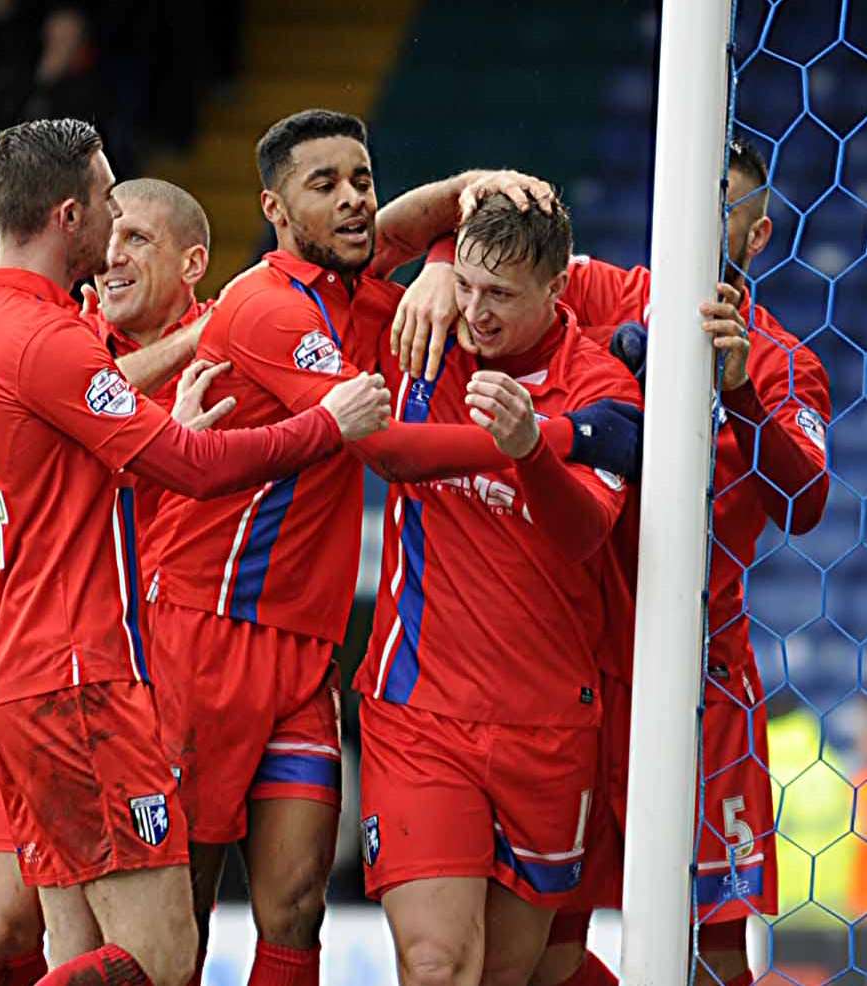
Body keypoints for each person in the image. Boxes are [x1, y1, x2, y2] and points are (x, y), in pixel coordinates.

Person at [144, 109, 641, 986]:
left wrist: (455, 224)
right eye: (323, 184)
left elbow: (400, 236)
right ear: (273, 207)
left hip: (340, 661)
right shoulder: (304, 312)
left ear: (555, 291)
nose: (351, 201)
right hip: (216, 633)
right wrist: (545, 439)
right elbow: (383, 446)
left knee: (301, 908)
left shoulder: (386, 308)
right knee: (182, 916)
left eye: (360, 180)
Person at [0, 116, 392, 986]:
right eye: (109, 202)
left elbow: (57, 451)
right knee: (164, 953)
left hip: (19, 674)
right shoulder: (53, 339)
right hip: (87, 678)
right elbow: (193, 465)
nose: (112, 229)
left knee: (77, 949)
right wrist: (324, 424)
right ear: (70, 215)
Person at [393, 138, 831, 986]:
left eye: (723, 215)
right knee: (551, 952)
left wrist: (738, 391)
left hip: (702, 685)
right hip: (580, 678)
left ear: (760, 236)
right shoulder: (605, 292)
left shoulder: (783, 361)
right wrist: (444, 261)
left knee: (711, 952)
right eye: (685, 213)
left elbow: (805, 502)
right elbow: (507, 253)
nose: (698, 233)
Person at [352, 192, 642, 986]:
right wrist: (439, 261)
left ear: (557, 290)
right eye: (470, 286)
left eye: (501, 295)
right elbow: (387, 449)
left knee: (508, 974)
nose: (476, 312)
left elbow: (586, 531)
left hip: (546, 728)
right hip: (420, 709)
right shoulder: (429, 329)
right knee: (438, 964)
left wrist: (535, 451)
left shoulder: (601, 385)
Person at [0, 176, 213, 986]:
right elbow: (86, 403)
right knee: (16, 921)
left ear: (192, 261)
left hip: (119, 668)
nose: (114, 250)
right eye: (113, 227)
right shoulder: (55, 333)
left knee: (122, 939)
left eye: (138, 237)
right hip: (59, 669)